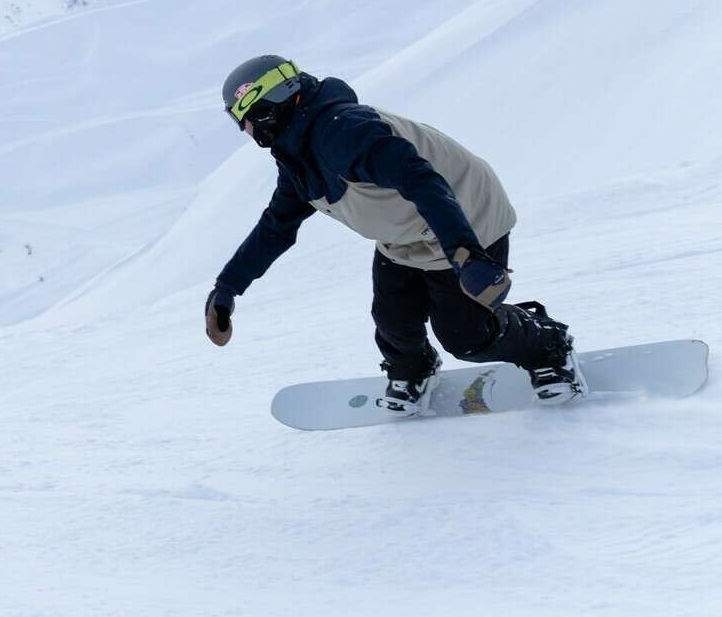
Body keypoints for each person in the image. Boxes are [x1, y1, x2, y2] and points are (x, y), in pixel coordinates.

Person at [203, 55, 583, 414]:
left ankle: (548, 347)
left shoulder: (345, 132)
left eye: (246, 119)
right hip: (404, 236)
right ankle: (413, 370)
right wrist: (227, 288)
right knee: (393, 320)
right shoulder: (299, 158)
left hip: (465, 218)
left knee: (466, 337)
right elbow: (276, 227)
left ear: (269, 104)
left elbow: (422, 181)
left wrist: (467, 253)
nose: (246, 131)